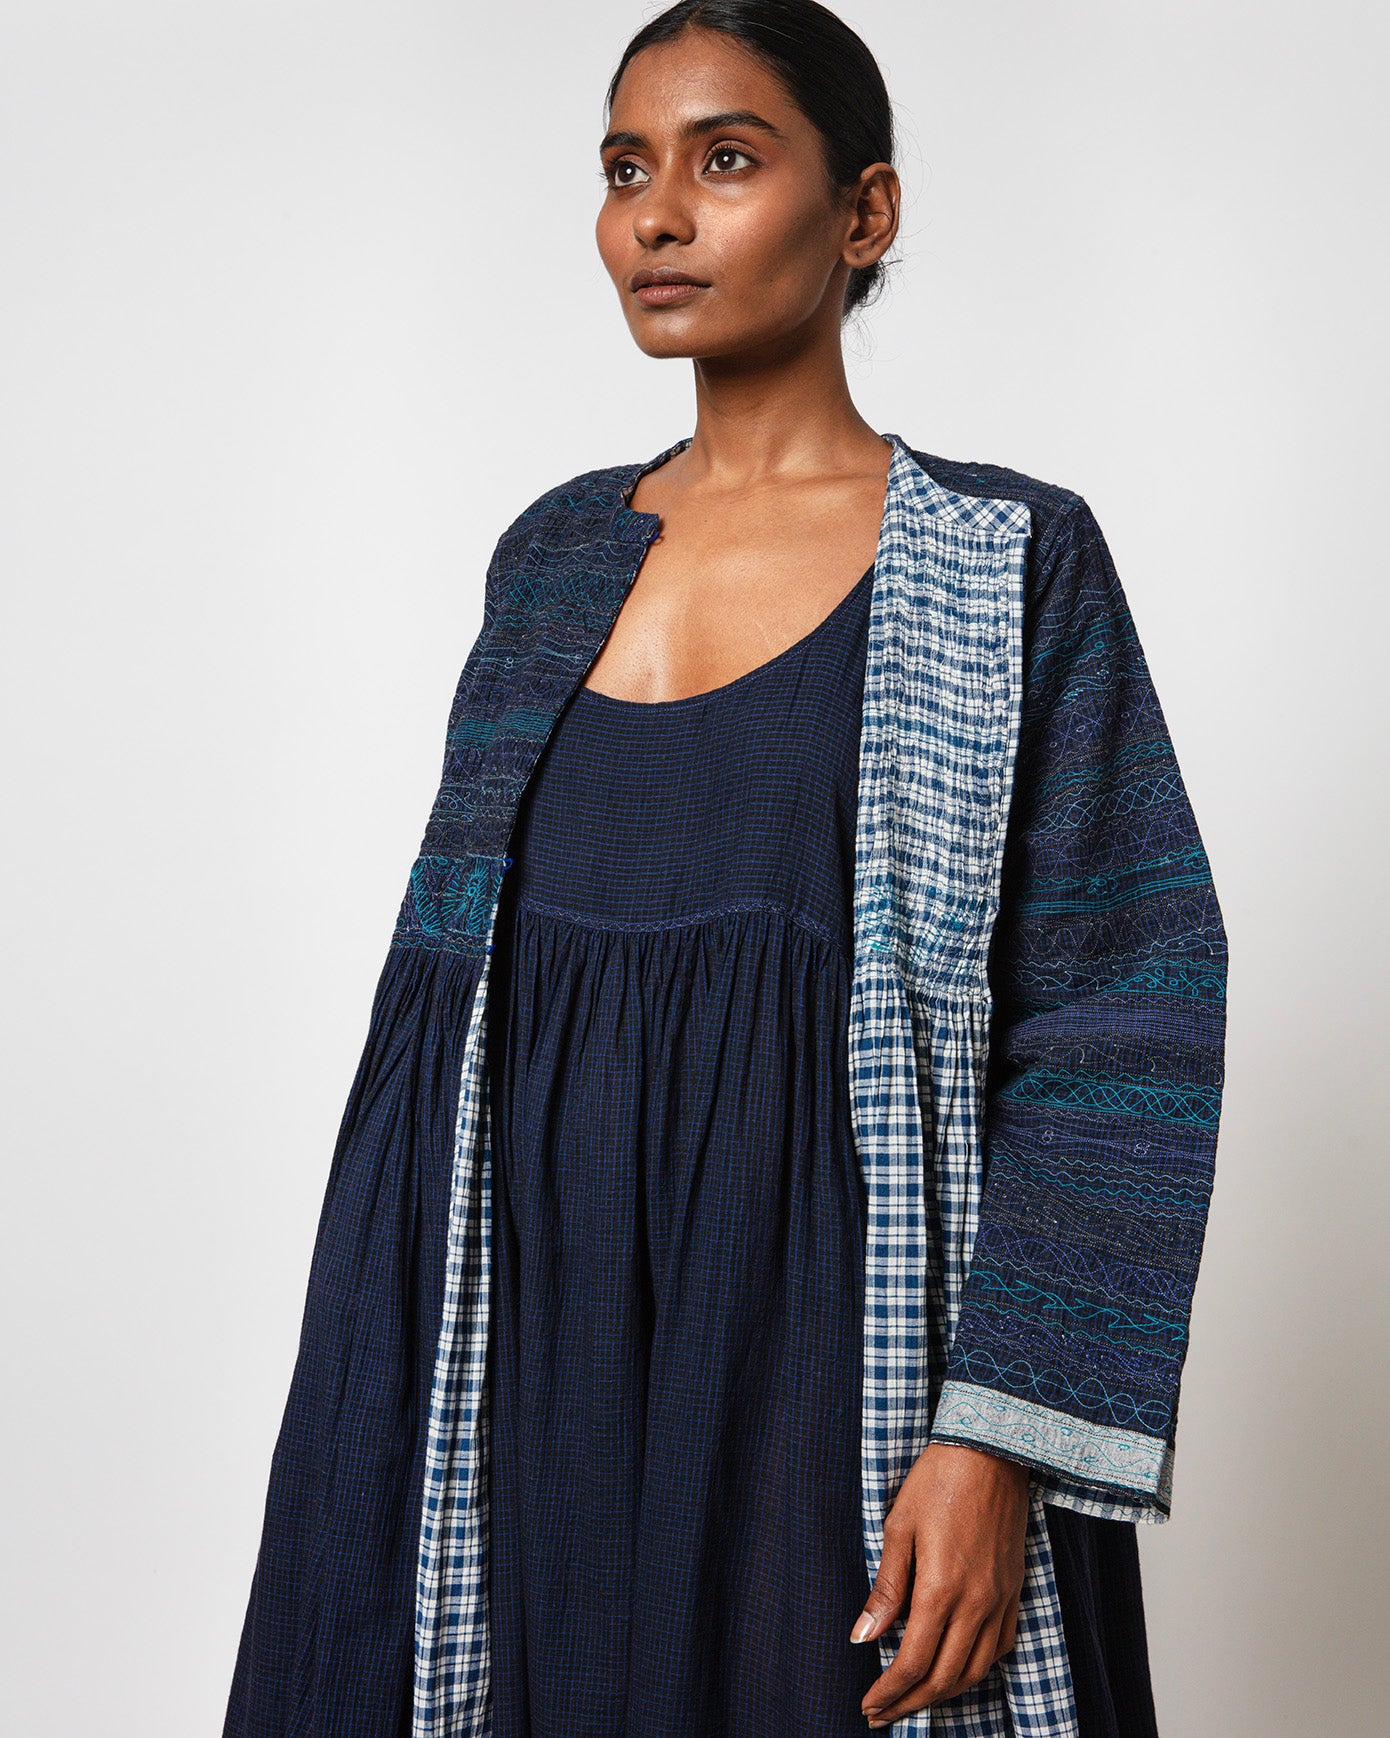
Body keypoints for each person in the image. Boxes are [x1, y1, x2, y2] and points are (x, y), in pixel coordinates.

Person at [222, 3, 1228, 1735]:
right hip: (526, 1346)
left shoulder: (1006, 560)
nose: (659, 215)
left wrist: (994, 1438)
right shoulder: (550, 555)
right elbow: (443, 1025)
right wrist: (366, 1419)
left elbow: (1123, 1006)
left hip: (829, 1354)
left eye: (728, 158)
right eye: (626, 170)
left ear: (864, 212)